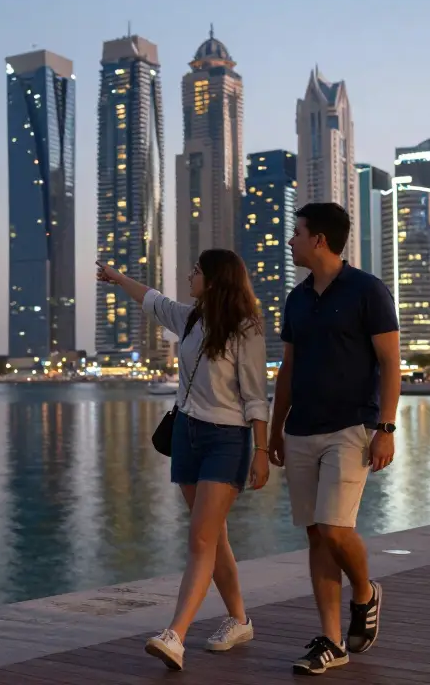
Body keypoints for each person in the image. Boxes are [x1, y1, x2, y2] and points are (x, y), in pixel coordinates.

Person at [96, 249, 270, 672]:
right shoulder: (191, 318)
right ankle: (239, 620)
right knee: (213, 537)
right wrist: (118, 278)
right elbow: (152, 299)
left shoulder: (246, 329)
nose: (190, 276)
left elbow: (255, 397)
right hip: (187, 436)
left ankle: (175, 635)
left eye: (196, 271)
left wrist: (262, 451)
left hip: (227, 440)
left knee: (200, 540)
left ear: (214, 279)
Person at [267, 202, 400, 676]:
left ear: (319, 239)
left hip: (350, 426)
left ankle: (364, 592)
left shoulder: (367, 290)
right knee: (316, 534)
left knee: (334, 528)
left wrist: (386, 428)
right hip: (301, 428)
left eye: (297, 232)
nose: (291, 241)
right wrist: (275, 429)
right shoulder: (297, 298)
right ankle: (331, 640)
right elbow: (288, 368)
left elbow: (390, 363)